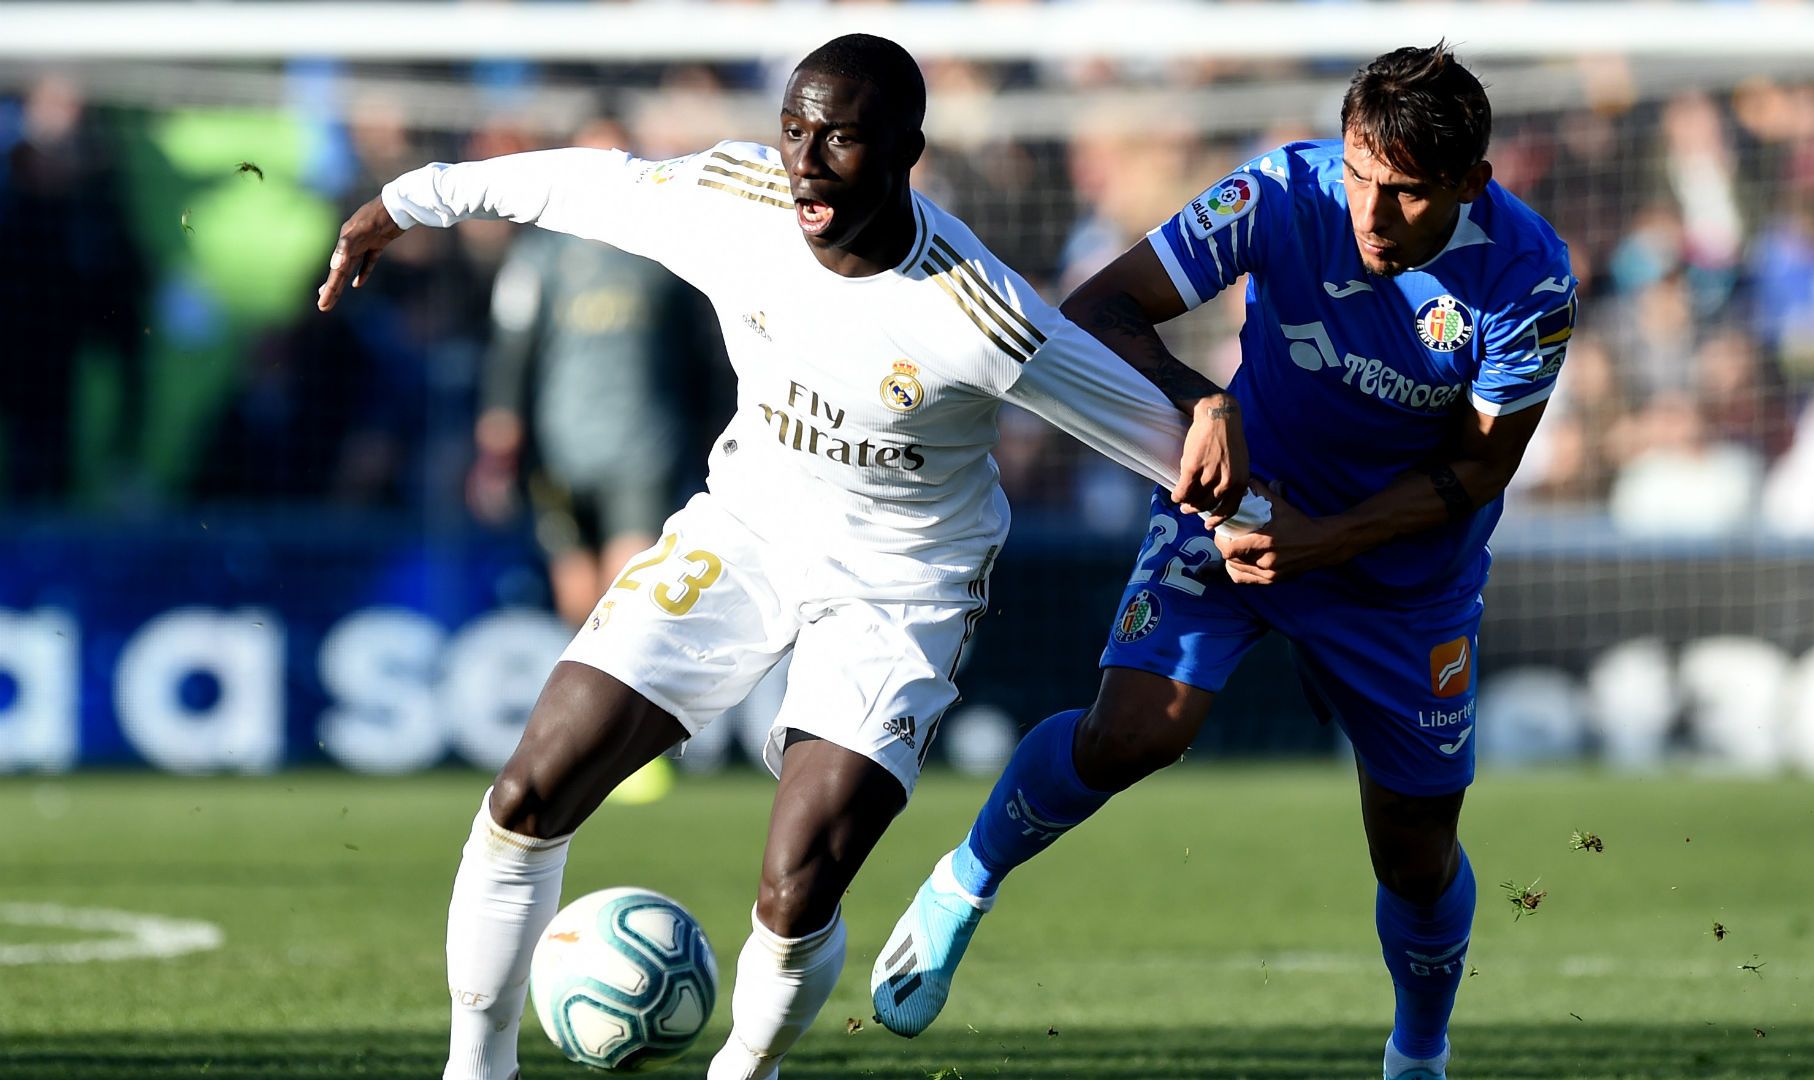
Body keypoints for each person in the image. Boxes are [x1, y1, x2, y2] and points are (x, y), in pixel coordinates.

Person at [316, 34, 1262, 1080]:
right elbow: (578, 185)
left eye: (842, 140)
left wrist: (1238, 467)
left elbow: (1160, 437)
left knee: (796, 881)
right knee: (527, 796)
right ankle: (474, 1069)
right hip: (748, 530)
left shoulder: (978, 313)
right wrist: (412, 199)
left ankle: (747, 1068)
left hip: (900, 587)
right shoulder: (735, 199)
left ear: (905, 148)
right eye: (795, 133)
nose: (806, 163)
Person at [869, 43, 1577, 1080]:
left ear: (1471, 184)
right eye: (1361, 176)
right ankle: (960, 886)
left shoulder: (1529, 279)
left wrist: (1320, 543)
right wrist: (1204, 399)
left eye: (1407, 195)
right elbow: (1101, 309)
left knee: (1415, 855)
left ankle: (1418, 1054)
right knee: (1131, 733)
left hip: (1403, 575)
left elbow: (1478, 470)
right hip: (1239, 506)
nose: (1371, 214)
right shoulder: (1282, 193)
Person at [470, 116, 725, 629]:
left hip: (643, 450)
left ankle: (622, 707)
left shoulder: (667, 253)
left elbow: (704, 354)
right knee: (577, 600)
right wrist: (498, 445)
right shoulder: (539, 257)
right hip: (559, 454)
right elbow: (512, 355)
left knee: (627, 594)